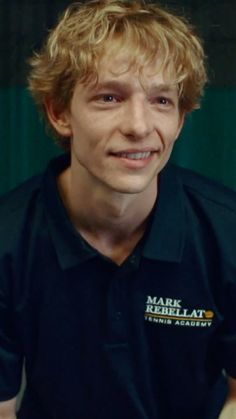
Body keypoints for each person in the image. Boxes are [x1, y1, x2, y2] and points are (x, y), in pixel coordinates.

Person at [0, 0, 236, 418]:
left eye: (162, 101)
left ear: (181, 120)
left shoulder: (227, 233)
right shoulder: (8, 240)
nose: (140, 126)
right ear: (59, 112)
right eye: (109, 97)